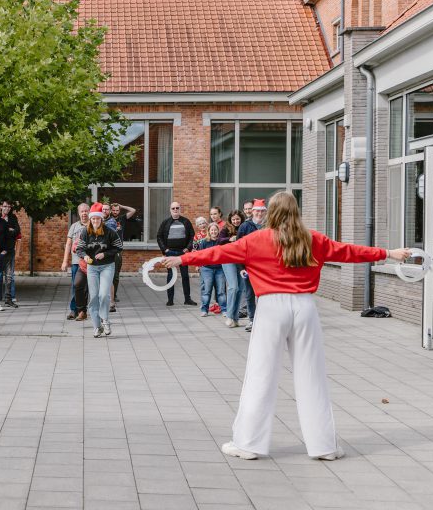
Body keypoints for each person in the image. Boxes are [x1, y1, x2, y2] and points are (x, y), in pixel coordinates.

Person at [161, 191, 409, 461]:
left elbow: (218, 253)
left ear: (272, 213)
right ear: (296, 211)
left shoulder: (257, 239)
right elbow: (350, 252)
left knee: (260, 375)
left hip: (270, 308)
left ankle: (248, 444)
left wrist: (181, 259)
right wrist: (389, 253)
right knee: (312, 376)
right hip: (305, 307)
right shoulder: (312, 239)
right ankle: (324, 446)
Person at [76, 203, 123, 338]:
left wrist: (105, 254)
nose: (95, 221)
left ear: (101, 219)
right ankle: (97, 326)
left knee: (103, 295)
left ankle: (105, 320)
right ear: (90, 219)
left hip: (107, 266)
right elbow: (79, 248)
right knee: (94, 296)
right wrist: (84, 256)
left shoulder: (110, 232)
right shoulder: (85, 232)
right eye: (93, 219)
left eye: (98, 218)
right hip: (92, 268)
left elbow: (118, 247)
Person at [155, 201, 196, 307]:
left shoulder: (186, 221)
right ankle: (170, 300)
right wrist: (165, 249)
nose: (175, 210)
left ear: (180, 209)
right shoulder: (165, 222)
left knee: (185, 276)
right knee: (170, 276)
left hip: (183, 252)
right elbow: (159, 236)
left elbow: (192, 236)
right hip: (170, 252)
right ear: (170, 210)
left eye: (177, 208)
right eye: (173, 208)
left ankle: (187, 299)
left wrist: (188, 248)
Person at [238, 198, 267, 331]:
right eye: (257, 211)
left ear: (265, 212)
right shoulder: (245, 226)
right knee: (249, 294)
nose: (259, 214)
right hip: (249, 266)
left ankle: (264, 319)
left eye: (262, 211)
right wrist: (241, 267)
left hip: (265, 267)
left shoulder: (270, 226)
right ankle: (252, 319)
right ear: (253, 211)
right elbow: (238, 248)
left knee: (264, 294)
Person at [106, 201, 137, 312]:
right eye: (113, 210)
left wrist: (122, 206)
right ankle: (108, 295)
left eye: (117, 210)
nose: (115, 212)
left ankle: (114, 295)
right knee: (107, 274)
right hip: (108, 250)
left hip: (118, 250)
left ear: (119, 211)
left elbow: (133, 210)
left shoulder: (122, 218)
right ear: (111, 210)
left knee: (116, 275)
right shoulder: (107, 219)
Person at [61, 203, 90, 320]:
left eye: (86, 211)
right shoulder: (74, 226)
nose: (84, 213)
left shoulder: (93, 225)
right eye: (82, 211)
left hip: (88, 262)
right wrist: (64, 261)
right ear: (79, 213)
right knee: (75, 286)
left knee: (86, 288)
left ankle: (82, 310)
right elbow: (68, 244)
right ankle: (74, 309)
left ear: (89, 212)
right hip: (76, 262)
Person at [219, 210, 246, 327]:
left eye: (237, 219)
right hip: (228, 259)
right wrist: (229, 239)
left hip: (241, 261)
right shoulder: (226, 229)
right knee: (233, 287)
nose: (236, 221)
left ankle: (235, 318)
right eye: (233, 219)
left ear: (241, 219)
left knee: (240, 289)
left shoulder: (244, 228)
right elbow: (219, 240)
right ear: (230, 219)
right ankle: (229, 316)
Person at [196, 223, 226, 318]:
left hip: (219, 269)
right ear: (209, 231)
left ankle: (224, 310)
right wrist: (199, 266)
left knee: (221, 291)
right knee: (207, 290)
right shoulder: (204, 242)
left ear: (218, 231)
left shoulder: (221, 242)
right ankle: (204, 310)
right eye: (212, 230)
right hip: (207, 269)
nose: (213, 232)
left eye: (215, 230)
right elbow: (200, 255)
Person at [0, 200, 22, 308]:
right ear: (1, 206)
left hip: (10, 250)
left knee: (9, 276)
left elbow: (17, 231)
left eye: (9, 206)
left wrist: (10, 231)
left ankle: (9, 298)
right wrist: (10, 230)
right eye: (5, 206)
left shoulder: (13, 217)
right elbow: (0, 232)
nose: (7, 208)